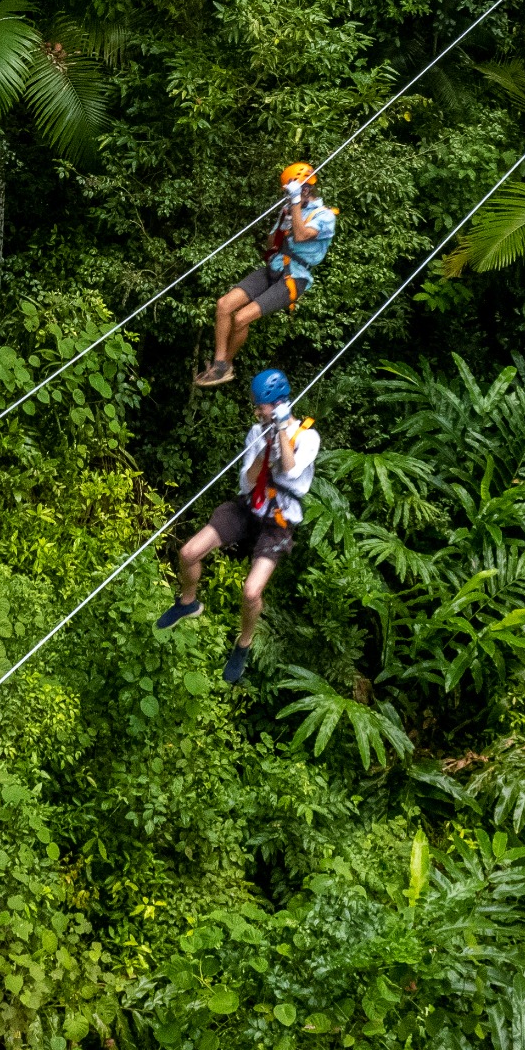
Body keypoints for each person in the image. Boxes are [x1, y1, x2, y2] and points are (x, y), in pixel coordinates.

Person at [155, 368, 318, 686]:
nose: (257, 411)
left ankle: (243, 644)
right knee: (189, 551)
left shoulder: (308, 436)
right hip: (248, 508)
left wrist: (283, 430)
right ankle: (188, 603)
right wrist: (262, 447)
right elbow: (246, 482)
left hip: (277, 523)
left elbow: (290, 467)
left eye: (261, 406)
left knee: (251, 591)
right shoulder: (256, 433)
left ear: (279, 403)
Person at [194, 163, 336, 388]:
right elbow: (271, 243)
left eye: (297, 191)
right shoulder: (289, 209)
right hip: (274, 267)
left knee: (241, 318)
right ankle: (219, 363)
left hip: (294, 278)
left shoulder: (325, 216)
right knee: (224, 305)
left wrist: (296, 207)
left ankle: (226, 366)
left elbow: (300, 236)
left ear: (306, 189)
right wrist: (284, 222)